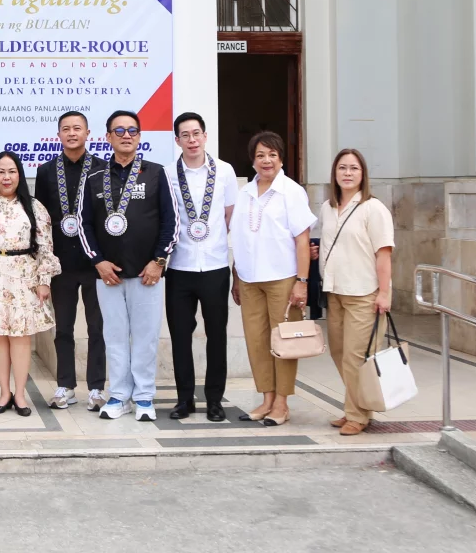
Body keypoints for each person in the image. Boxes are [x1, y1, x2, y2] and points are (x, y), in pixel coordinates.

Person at [78, 110, 179, 421]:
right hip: (109, 276)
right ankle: (119, 395)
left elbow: (170, 222)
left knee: (147, 337)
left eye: (132, 130)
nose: (126, 135)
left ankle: (145, 397)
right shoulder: (94, 178)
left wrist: (158, 261)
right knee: (115, 337)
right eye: (118, 130)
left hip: (147, 274)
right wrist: (98, 262)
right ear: (107, 137)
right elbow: (84, 225)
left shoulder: (156, 173)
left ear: (139, 136)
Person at [229, 131, 315, 426]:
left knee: (284, 343)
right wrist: (236, 277)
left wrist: (302, 281)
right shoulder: (245, 193)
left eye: (272, 155)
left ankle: (281, 403)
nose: (266, 161)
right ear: (252, 160)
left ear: (280, 159)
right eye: (260, 155)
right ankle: (265, 399)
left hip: (282, 278)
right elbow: (238, 238)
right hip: (250, 279)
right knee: (257, 341)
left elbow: (302, 240)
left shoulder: (292, 192)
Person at [0, 151, 60, 417]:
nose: (6, 177)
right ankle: (3, 393)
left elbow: (45, 246)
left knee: (21, 337)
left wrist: (45, 281)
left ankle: (20, 395)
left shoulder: (34, 207)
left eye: (11, 171)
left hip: (25, 277)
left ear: (19, 174)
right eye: (1, 172)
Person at [164, 112, 238, 422]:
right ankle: (184, 400)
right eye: (185, 135)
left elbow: (230, 215)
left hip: (215, 266)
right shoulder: (168, 173)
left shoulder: (224, 171)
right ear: (177, 139)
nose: (192, 140)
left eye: (197, 134)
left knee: (216, 335)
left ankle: (214, 400)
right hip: (179, 268)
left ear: (205, 136)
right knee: (180, 336)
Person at [314, 149, 394, 436]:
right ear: (335, 173)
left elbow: (383, 254)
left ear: (363, 174)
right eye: (342, 168)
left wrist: (384, 293)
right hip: (335, 291)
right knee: (338, 353)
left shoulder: (374, 209)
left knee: (356, 357)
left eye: (354, 169)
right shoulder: (327, 207)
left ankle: (357, 415)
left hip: (364, 294)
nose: (347, 173)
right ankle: (357, 406)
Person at [34, 111, 108, 412]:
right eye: (66, 129)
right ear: (59, 135)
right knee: (63, 328)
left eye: (77, 128)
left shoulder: (103, 169)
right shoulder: (46, 170)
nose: (72, 133)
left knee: (97, 328)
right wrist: (42, 265)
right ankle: (65, 386)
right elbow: (40, 220)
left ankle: (97, 388)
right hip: (60, 264)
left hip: (96, 264)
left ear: (88, 133)